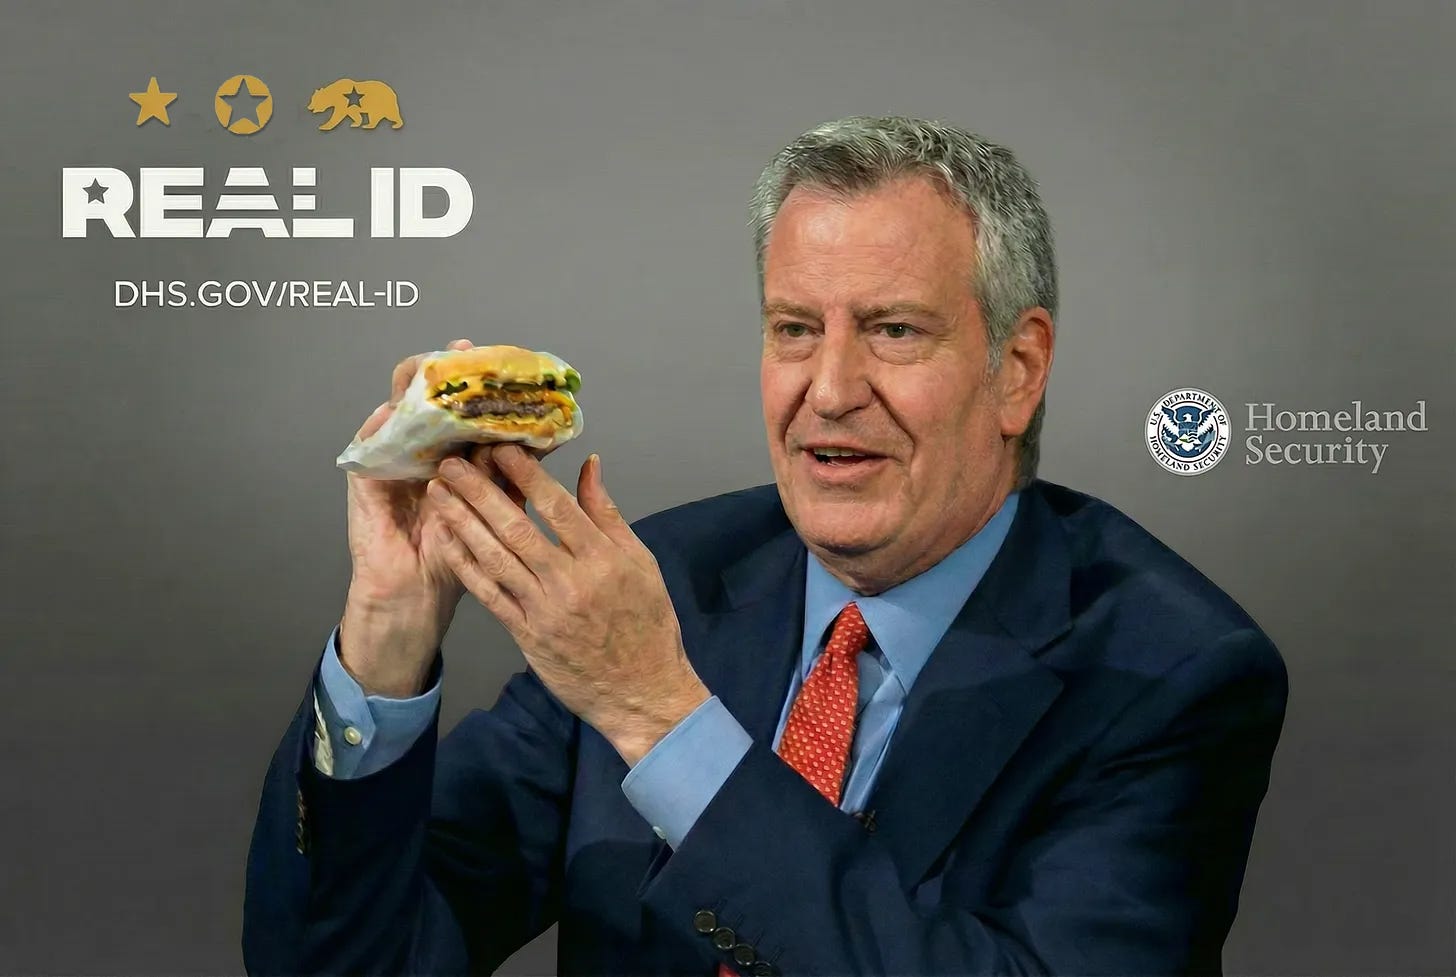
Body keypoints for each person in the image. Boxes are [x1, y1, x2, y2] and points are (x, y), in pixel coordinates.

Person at [243, 116, 1287, 976]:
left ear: (1016, 369)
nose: (828, 390)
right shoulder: (667, 581)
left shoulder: (1170, 670)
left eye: (893, 330)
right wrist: (386, 633)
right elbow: (338, 962)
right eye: (794, 328)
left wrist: (659, 715)